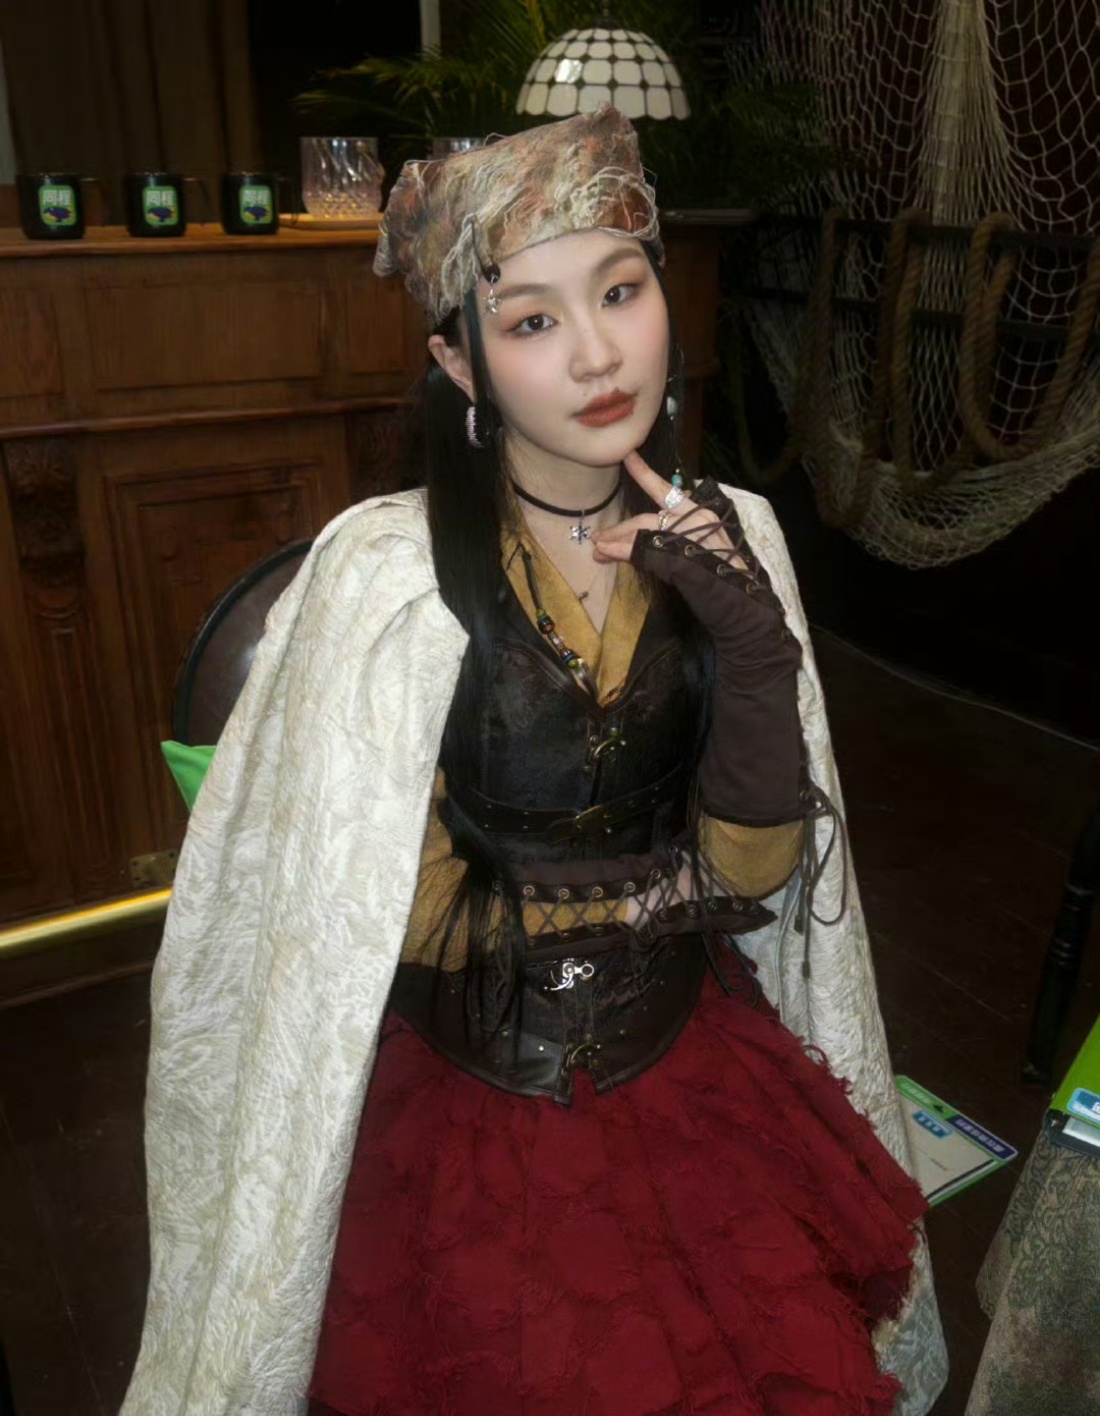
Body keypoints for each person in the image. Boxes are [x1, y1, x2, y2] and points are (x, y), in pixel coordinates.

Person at [120, 107, 947, 1416]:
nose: (599, 354)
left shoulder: (738, 533)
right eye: (531, 320)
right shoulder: (385, 578)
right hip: (472, 1095)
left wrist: (752, 647)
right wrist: (657, 902)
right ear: (458, 360)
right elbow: (388, 910)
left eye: (620, 291)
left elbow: (755, 874)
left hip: (688, 1066)